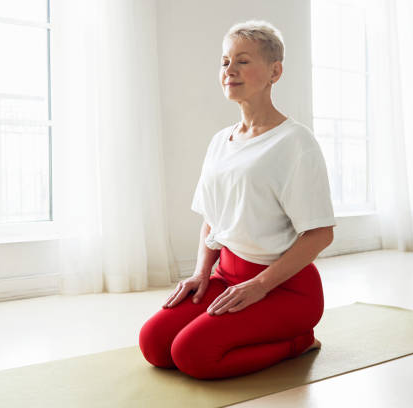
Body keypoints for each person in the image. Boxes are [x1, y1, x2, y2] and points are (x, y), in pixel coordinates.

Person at [138, 20, 336, 380]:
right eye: (225, 61)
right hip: (225, 279)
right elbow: (212, 219)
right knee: (155, 344)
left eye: (242, 61)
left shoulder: (295, 143)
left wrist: (260, 286)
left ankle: (300, 341)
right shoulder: (220, 141)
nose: (230, 70)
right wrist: (201, 273)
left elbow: (321, 234)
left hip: (285, 288)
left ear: (275, 71)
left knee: (191, 355)